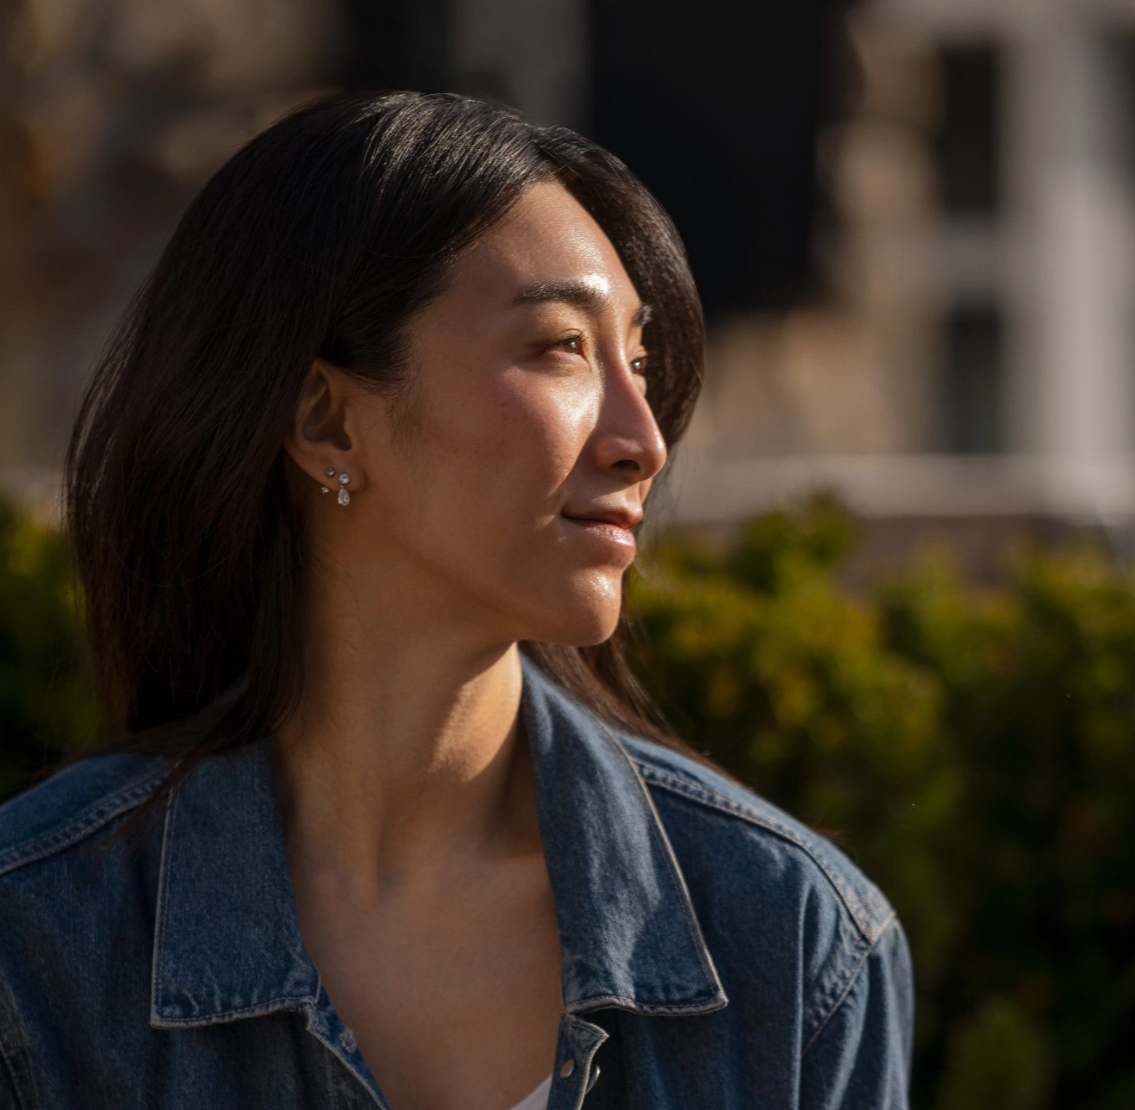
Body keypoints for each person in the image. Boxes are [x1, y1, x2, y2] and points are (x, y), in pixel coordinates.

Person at [0, 91, 913, 1109]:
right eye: (561, 346)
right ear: (325, 420)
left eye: (643, 363)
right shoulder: (35, 951)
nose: (642, 439)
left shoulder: (793, 942)